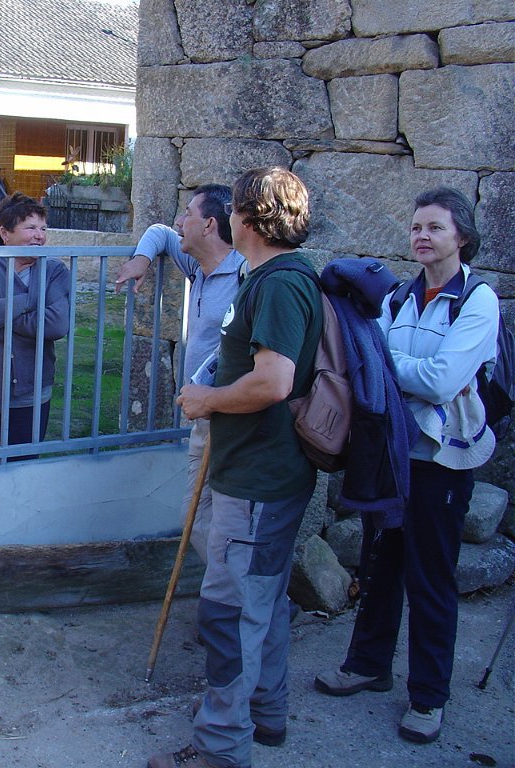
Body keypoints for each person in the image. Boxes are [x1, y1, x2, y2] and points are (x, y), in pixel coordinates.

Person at [151, 167, 322, 768]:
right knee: (263, 602)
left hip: (256, 480)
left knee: (227, 614)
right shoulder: (275, 277)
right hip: (263, 474)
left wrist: (208, 400)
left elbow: (274, 382)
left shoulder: (279, 284)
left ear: (246, 218)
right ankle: (266, 715)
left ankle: (221, 748)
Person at [314, 187, 498, 744]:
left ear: (461, 237)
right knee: (380, 563)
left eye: (435, 227)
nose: (422, 236)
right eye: (417, 226)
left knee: (431, 577)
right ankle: (368, 665)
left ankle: (428, 696)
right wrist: (398, 369)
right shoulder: (398, 295)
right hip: (393, 453)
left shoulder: (478, 301)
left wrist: (386, 366)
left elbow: (438, 381)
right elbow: (387, 367)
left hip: (443, 458)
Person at [114, 184, 244, 562]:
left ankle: (237, 589)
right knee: (198, 515)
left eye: (188, 213)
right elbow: (158, 232)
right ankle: (228, 586)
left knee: (220, 517)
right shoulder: (199, 267)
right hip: (203, 416)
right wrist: (142, 260)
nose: (179, 221)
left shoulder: (246, 275)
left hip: (231, 416)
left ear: (209, 225)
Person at [0, 193, 70, 462]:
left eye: (43, 229)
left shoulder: (54, 270)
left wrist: (1, 309)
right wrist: (29, 303)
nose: (39, 236)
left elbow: (56, 325)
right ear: (5, 234)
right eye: (30, 228)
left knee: (22, 470)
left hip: (32, 393)